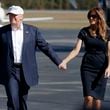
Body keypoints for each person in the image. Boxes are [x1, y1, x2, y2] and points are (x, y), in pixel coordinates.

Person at [0, 5, 61, 110]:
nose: (12, 18)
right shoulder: (2, 32)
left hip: (26, 71)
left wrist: (58, 61)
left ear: (21, 17)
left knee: (22, 101)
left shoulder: (32, 31)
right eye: (10, 16)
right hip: (10, 71)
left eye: (14, 16)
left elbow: (45, 47)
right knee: (13, 99)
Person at [59, 7, 110, 110]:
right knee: (88, 98)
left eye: (93, 16)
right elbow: (75, 50)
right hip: (87, 67)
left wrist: (109, 67)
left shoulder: (107, 32)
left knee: (97, 99)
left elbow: (109, 52)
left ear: (99, 18)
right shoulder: (84, 31)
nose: (91, 18)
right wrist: (64, 61)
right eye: (89, 16)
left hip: (102, 69)